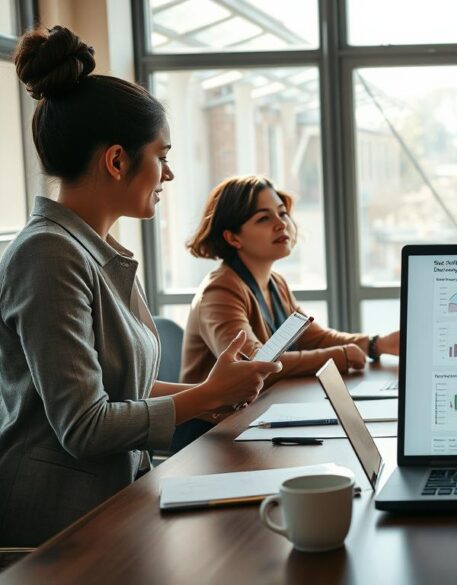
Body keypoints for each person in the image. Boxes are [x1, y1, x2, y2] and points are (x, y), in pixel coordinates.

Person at [0, 26, 281, 546]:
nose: (168, 174)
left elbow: (114, 391)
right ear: (116, 160)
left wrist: (208, 394)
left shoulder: (92, 250)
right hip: (55, 527)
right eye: (162, 155)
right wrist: (201, 398)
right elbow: (84, 425)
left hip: (110, 502)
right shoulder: (48, 255)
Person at [176, 176, 400, 445]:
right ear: (233, 237)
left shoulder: (275, 283)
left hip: (255, 420)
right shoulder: (219, 290)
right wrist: (338, 356)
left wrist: (377, 344)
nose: (281, 223)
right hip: (211, 437)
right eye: (263, 218)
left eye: (282, 213)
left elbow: (315, 338)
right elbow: (253, 364)